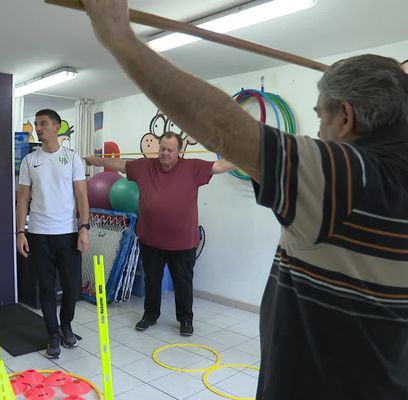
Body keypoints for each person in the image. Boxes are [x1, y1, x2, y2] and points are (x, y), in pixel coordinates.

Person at [79, 1, 408, 398]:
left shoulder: (349, 175)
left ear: (346, 118)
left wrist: (119, 37)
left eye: (321, 116)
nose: (320, 131)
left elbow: (224, 128)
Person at [85, 132, 236, 336]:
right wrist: (94, 159)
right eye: (162, 148)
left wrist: (249, 157)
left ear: (179, 151)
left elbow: (218, 167)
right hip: (151, 240)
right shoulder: (145, 166)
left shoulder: (192, 167)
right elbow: (120, 165)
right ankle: (150, 315)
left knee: (183, 283)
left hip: (183, 242)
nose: (165, 153)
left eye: (170, 150)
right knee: (152, 280)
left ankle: (185, 320)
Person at [16, 109, 90, 359]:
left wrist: (84, 228)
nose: (38, 128)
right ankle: (53, 334)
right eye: (36, 124)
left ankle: (66, 325)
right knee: (46, 288)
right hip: (38, 233)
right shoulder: (29, 161)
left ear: (57, 127)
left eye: (43, 124)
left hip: (68, 234)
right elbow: (23, 197)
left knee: (71, 288)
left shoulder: (72, 158)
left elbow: (81, 195)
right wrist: (20, 231)